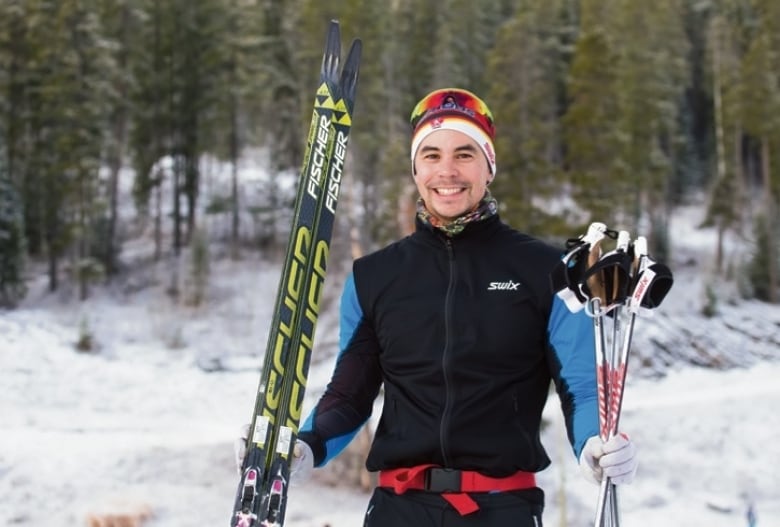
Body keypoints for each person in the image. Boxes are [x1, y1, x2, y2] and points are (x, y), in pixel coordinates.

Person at [236, 88, 638, 526]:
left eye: (464, 154)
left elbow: (579, 386)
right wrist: (306, 445)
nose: (447, 171)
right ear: (415, 169)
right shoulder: (375, 276)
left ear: (489, 166)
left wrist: (594, 445)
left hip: (504, 509)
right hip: (398, 509)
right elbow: (350, 394)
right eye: (431, 155)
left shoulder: (546, 271)